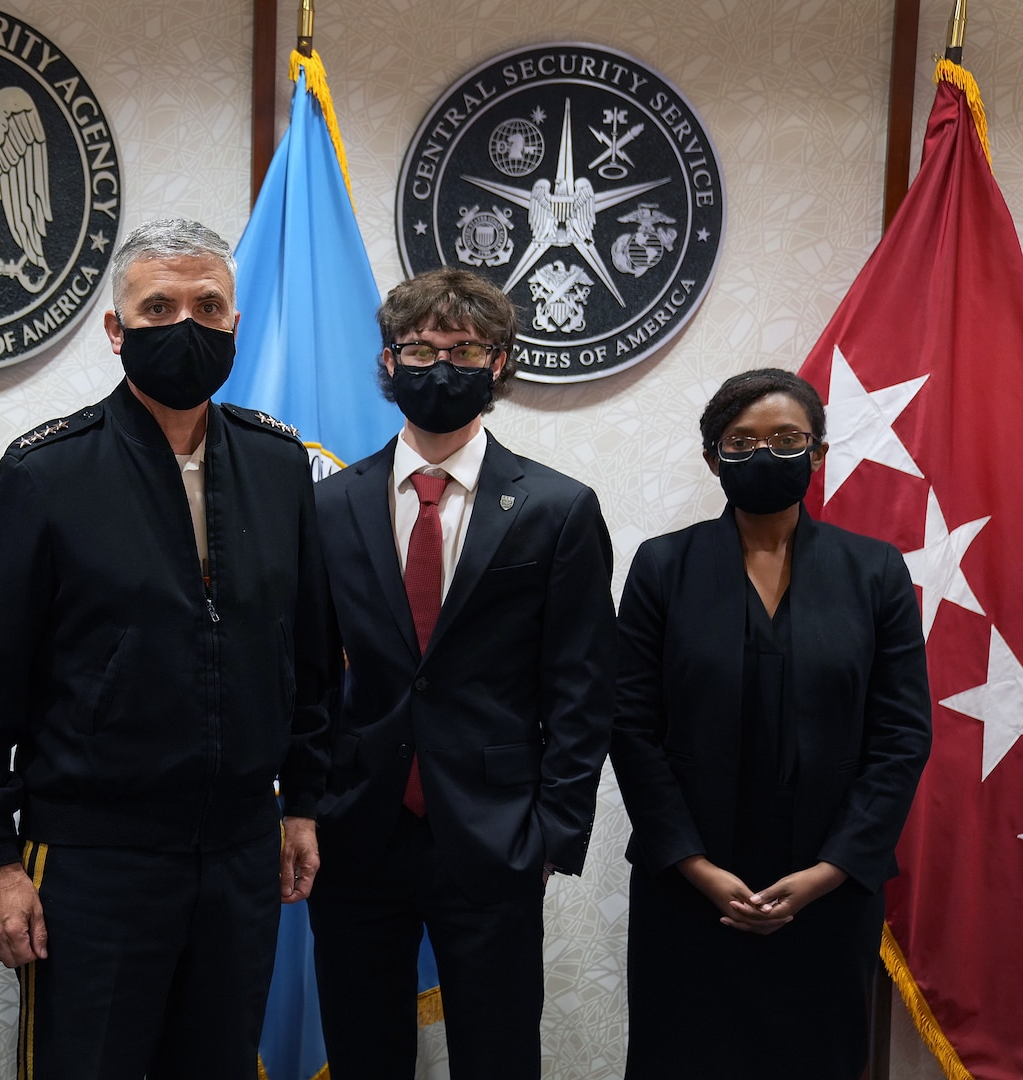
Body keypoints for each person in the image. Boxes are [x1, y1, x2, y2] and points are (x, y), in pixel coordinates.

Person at [0, 218, 331, 1078]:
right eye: (157, 306)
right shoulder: (46, 472)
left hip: (240, 852)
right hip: (92, 861)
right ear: (116, 331)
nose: (185, 324)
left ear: (237, 323)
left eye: (207, 305)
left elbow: (309, 655)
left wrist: (301, 801)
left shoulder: (279, 466)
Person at [308, 267, 615, 1079]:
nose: (439, 365)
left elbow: (582, 684)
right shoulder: (330, 506)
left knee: (498, 1055)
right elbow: (303, 674)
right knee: (362, 1051)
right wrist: (303, 806)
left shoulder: (558, 508)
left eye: (463, 349)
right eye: (419, 348)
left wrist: (554, 831)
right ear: (388, 362)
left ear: (500, 363)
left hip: (496, 835)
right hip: (356, 830)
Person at [609, 368, 932, 1079]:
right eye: (742, 441)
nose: (765, 455)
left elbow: (903, 734)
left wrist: (829, 871)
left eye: (787, 440)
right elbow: (630, 725)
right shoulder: (664, 567)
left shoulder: (874, 572)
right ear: (712, 457)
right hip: (690, 887)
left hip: (828, 886)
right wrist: (697, 869)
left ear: (817, 454)